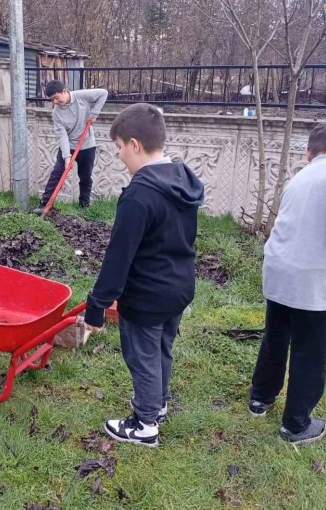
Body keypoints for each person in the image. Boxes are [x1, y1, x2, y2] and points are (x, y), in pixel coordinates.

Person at [84, 103, 204, 447]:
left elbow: (118, 259)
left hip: (148, 295)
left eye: (120, 146)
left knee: (143, 356)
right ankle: (159, 402)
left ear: (135, 144)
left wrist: (97, 305)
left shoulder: (139, 195)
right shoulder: (182, 178)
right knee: (162, 348)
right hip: (179, 286)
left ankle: (145, 424)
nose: (120, 155)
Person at [249, 122, 326, 446]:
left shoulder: (300, 175)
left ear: (308, 152)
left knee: (276, 337)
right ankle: (296, 425)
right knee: (309, 350)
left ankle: (260, 398)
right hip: (311, 276)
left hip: (279, 267)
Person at [32, 80, 108, 214]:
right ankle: (44, 204)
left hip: (87, 144)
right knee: (57, 173)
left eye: (56, 97)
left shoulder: (81, 96)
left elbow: (103, 93)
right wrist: (67, 156)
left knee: (85, 176)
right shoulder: (56, 113)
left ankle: (84, 205)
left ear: (64, 91)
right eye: (51, 99)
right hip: (68, 146)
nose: (54, 102)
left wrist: (95, 113)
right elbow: (62, 136)